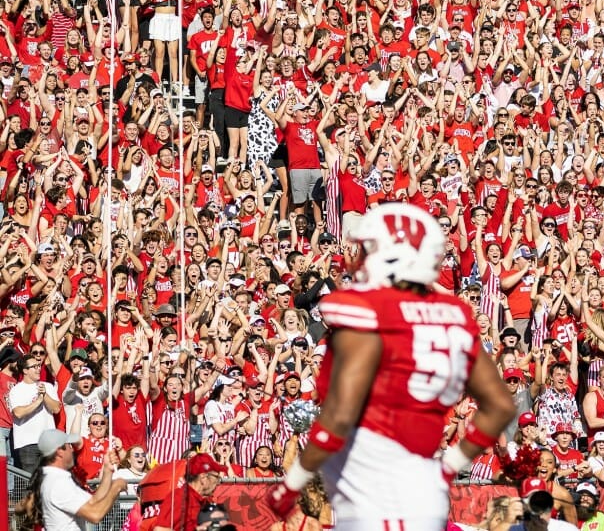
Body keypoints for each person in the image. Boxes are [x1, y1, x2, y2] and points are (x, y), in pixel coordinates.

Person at [267, 203, 516, 529]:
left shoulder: (365, 310)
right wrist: (448, 466)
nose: (361, 258)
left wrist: (291, 484)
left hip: (373, 487)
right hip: (426, 489)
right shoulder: (453, 314)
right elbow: (499, 406)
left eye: (369, 248)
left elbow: (339, 416)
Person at [19, 428, 127, 531]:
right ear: (59, 452)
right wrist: (116, 487)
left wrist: (107, 470)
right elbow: (95, 515)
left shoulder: (55, 478)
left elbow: (93, 500)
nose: (72, 449)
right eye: (68, 445)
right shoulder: (57, 482)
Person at [151, 453, 228, 531]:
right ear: (203, 477)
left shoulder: (205, 501)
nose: (218, 482)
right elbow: (160, 529)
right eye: (216, 477)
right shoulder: (179, 497)